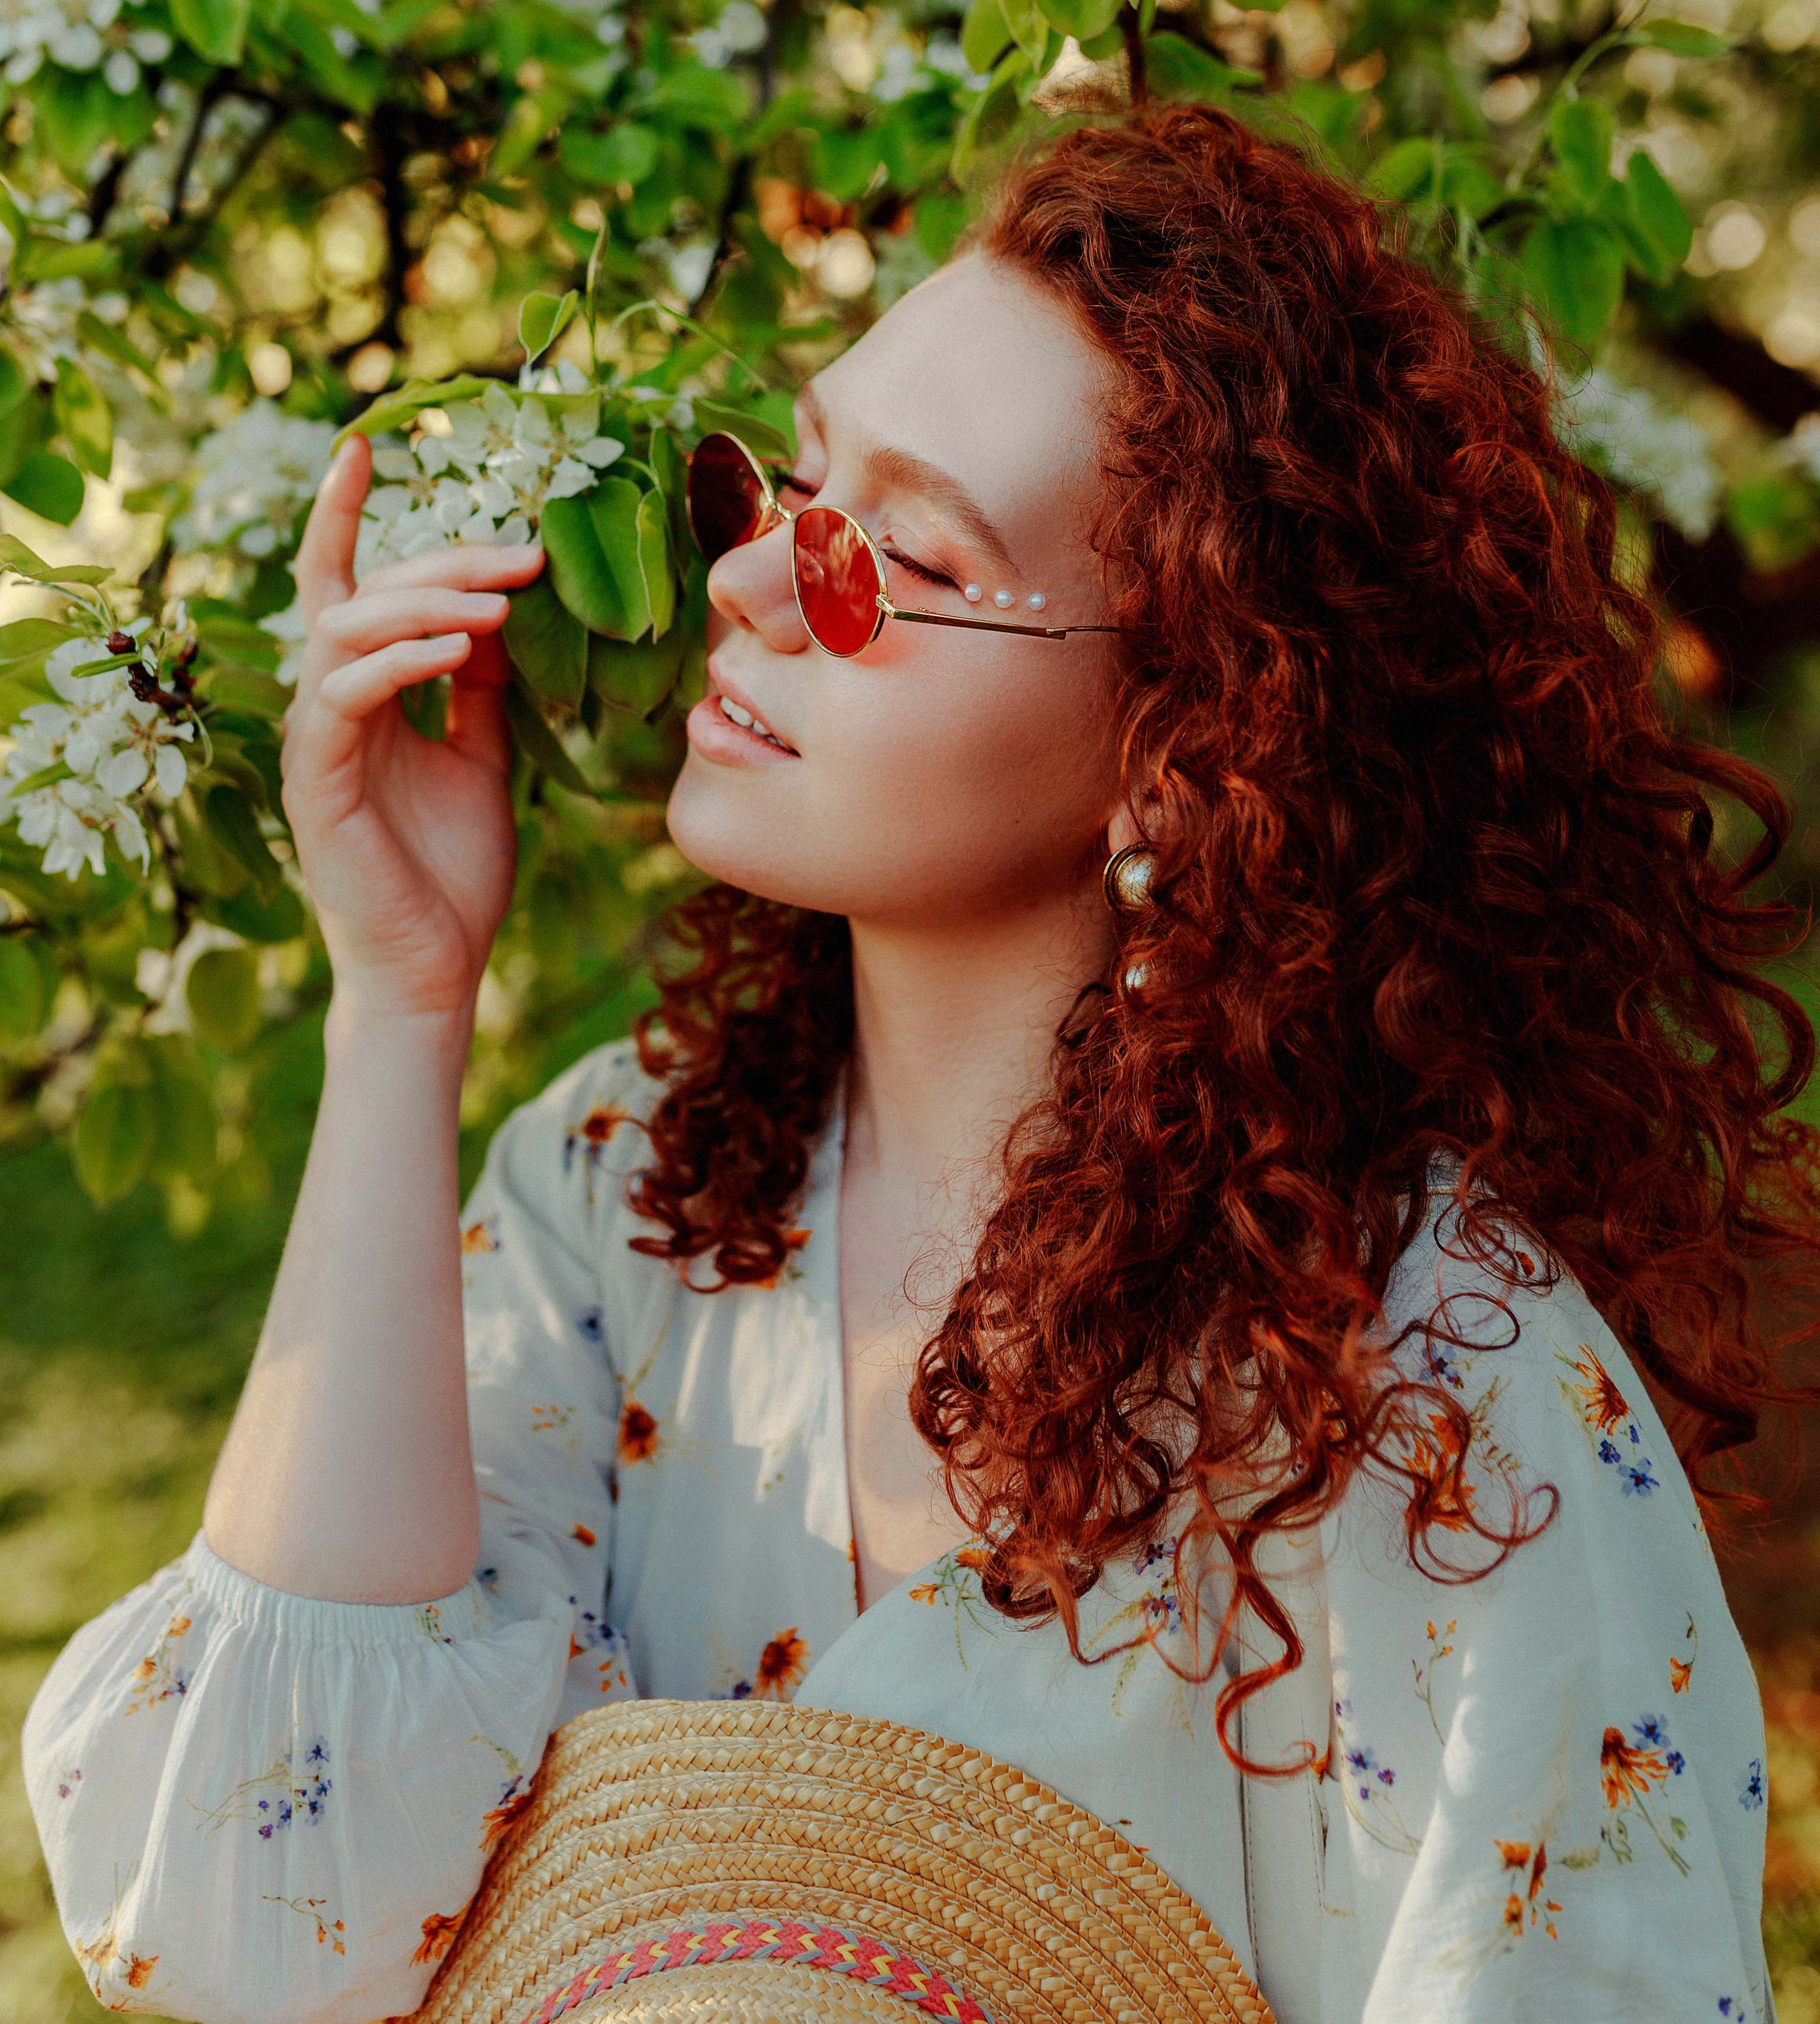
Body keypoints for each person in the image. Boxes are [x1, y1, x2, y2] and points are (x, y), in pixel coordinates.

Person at [23, 102, 1815, 2024]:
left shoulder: (1439, 1394)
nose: (747, 587)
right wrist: (397, 1000)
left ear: (1185, 735)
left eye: (893, 560)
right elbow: (263, 1899)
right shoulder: (628, 1191)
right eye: (790, 485)